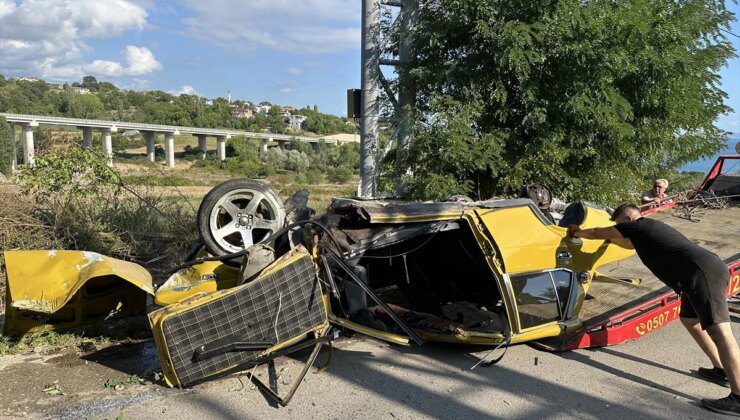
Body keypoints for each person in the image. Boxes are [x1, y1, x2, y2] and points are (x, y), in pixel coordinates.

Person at [568, 204, 740, 416]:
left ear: (629, 218)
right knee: (689, 320)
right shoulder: (647, 231)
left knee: (720, 332)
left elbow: (596, 232)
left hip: (702, 273)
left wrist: (577, 231)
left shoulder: (638, 226)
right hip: (694, 276)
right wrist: (609, 240)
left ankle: (738, 397)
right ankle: (721, 371)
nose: (620, 229)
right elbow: (626, 244)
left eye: (620, 224)